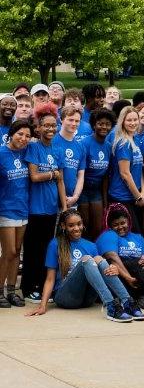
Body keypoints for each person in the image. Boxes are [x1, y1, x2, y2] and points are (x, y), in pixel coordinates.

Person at [26, 209, 142, 322]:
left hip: (87, 299)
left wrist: (113, 269)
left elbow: (101, 273)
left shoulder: (91, 245)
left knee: (98, 259)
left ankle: (127, 302)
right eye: (71, 225)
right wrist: (43, 305)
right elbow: (50, 279)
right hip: (65, 297)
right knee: (87, 259)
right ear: (63, 226)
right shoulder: (56, 243)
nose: (76, 228)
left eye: (79, 224)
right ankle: (110, 305)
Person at [22, 104, 67, 303]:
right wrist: (52, 174)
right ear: (38, 128)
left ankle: (41, 286)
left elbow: (61, 181)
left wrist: (64, 206)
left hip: (51, 208)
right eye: (46, 126)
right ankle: (28, 287)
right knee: (33, 249)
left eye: (53, 125)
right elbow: (33, 176)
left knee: (47, 249)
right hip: (35, 208)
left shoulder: (57, 150)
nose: (50, 129)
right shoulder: (33, 147)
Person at [0, 120, 33, 307]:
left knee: (17, 253)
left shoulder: (26, 152)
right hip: (5, 209)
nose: (23, 139)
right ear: (11, 133)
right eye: (20, 134)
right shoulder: (1, 153)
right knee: (9, 252)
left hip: (23, 208)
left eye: (27, 136)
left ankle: (12, 291)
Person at [108, 107, 144, 233]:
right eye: (129, 120)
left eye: (135, 119)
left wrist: (143, 192)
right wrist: (138, 197)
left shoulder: (136, 140)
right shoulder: (123, 143)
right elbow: (125, 173)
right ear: (122, 122)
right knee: (131, 233)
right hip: (122, 196)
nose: (133, 123)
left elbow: (139, 168)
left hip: (135, 195)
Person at [80, 109, 116, 240]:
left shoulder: (108, 146)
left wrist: (105, 200)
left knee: (98, 227)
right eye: (100, 123)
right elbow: (80, 172)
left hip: (97, 190)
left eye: (107, 124)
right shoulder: (84, 143)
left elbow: (106, 175)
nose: (104, 127)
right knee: (84, 225)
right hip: (82, 189)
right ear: (94, 125)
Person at [53, 107, 85, 206]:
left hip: (71, 200)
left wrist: (75, 197)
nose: (74, 123)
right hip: (53, 199)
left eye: (77, 121)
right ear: (62, 120)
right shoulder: (53, 141)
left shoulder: (80, 146)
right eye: (70, 120)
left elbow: (80, 175)